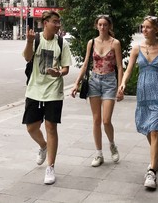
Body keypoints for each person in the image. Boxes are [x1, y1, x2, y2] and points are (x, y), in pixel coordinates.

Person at [118, 16, 158, 190]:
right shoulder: (137, 49)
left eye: (148, 27)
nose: (144, 30)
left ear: (156, 29)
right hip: (143, 94)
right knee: (145, 127)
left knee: (154, 130)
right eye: (143, 27)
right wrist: (123, 83)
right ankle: (156, 156)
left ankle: (151, 171)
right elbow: (128, 71)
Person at [22, 10, 72, 185]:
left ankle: (50, 166)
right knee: (31, 128)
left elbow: (66, 68)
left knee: (51, 126)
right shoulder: (36, 39)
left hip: (54, 90)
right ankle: (43, 146)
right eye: (55, 22)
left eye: (59, 22)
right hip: (34, 89)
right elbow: (27, 58)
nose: (58, 25)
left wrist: (58, 73)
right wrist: (29, 42)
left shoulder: (61, 43)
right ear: (45, 23)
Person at [70, 15, 124, 167]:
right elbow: (86, 63)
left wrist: (121, 87)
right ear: (96, 26)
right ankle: (99, 153)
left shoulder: (115, 43)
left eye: (105, 25)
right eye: (99, 25)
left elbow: (120, 66)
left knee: (106, 120)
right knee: (96, 120)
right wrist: (76, 83)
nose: (102, 27)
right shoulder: (91, 42)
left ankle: (112, 144)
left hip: (109, 82)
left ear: (109, 26)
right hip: (94, 81)